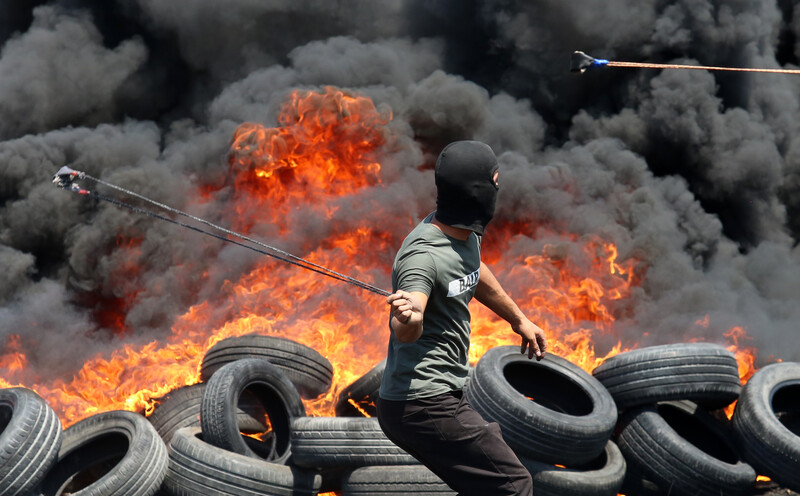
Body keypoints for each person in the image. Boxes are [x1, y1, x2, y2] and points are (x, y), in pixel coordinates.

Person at [377, 140, 547, 496]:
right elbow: (407, 327)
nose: (498, 189)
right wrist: (408, 316)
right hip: (421, 404)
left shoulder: (462, 233)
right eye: (494, 181)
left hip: (443, 396)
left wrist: (518, 319)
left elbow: (473, 269)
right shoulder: (422, 257)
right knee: (513, 485)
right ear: (477, 191)